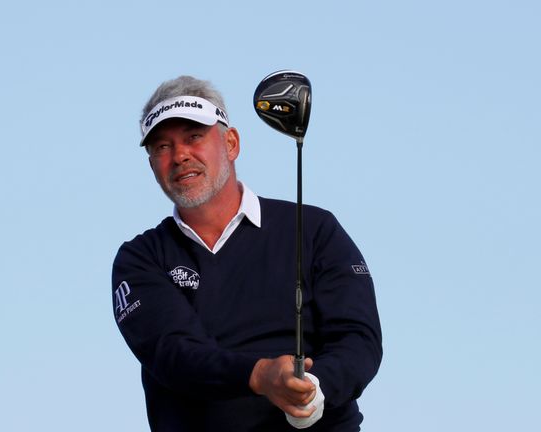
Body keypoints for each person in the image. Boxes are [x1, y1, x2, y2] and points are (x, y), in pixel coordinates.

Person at [112, 75, 382, 431]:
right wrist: (260, 376)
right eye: (162, 147)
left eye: (194, 137)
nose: (179, 156)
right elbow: (173, 354)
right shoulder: (141, 258)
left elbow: (358, 337)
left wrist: (317, 388)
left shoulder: (315, 229)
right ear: (152, 166)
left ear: (231, 143)